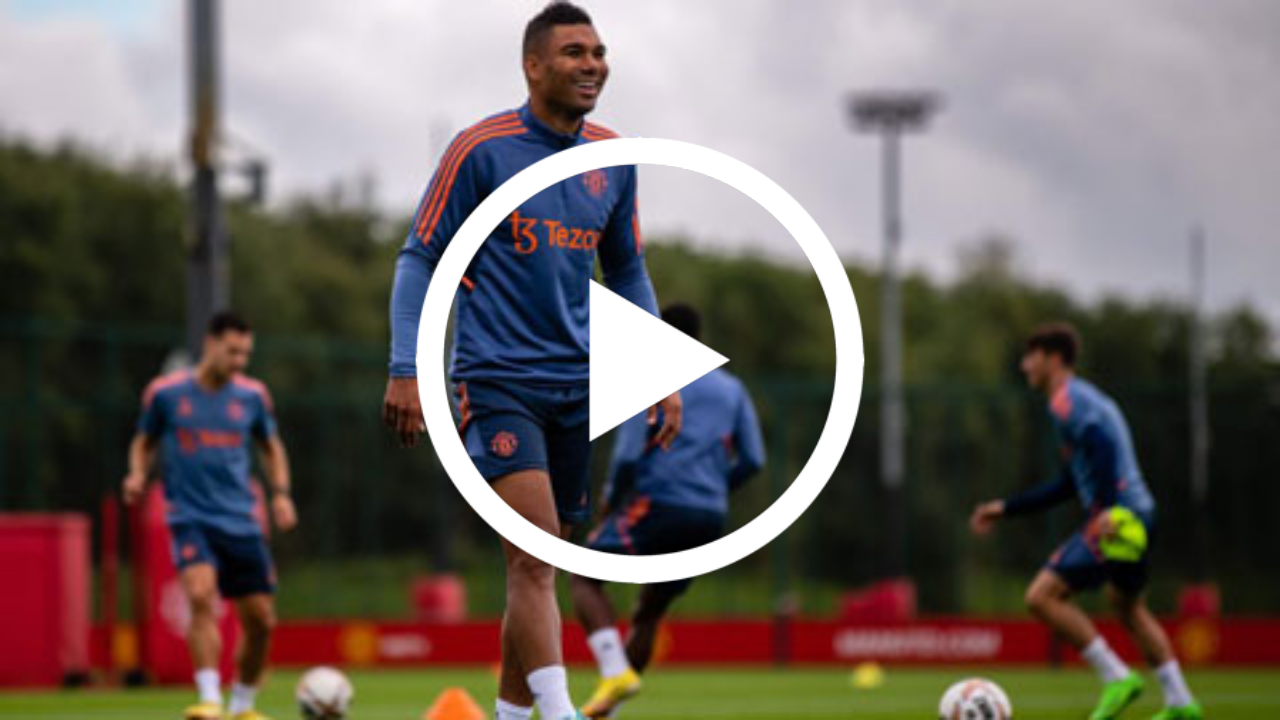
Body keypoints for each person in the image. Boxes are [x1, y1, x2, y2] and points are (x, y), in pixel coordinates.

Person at [381, 4, 680, 719]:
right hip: (495, 380)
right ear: (533, 65)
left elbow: (627, 271)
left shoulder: (613, 159)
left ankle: (513, 714)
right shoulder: (480, 150)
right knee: (534, 555)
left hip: (578, 387)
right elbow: (421, 257)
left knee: (538, 565)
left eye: (599, 52)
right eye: (575, 51)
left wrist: (659, 371)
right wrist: (406, 367)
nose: (593, 64)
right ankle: (561, 712)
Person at [970, 323, 1201, 720]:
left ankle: (1117, 677)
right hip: (1141, 515)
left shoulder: (1067, 400)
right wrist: (1007, 508)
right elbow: (1068, 483)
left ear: (1053, 359)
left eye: (1031, 357)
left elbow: (1103, 444)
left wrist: (1108, 509)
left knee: (1041, 596)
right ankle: (1181, 702)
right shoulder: (1083, 400)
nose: (1025, 366)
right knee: (1127, 606)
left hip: (1119, 517)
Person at [570, 303, 765, 718]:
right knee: (650, 611)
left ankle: (613, 670)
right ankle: (608, 711)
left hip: (657, 503)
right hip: (708, 516)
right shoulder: (731, 389)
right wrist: (716, 488)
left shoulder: (651, 378)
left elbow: (627, 456)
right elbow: (753, 459)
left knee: (583, 576)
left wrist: (611, 499)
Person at [123, 311, 296, 720]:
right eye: (233, 352)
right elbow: (144, 441)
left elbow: (271, 447)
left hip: (241, 518)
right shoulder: (166, 394)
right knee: (200, 596)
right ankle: (209, 699)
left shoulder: (252, 396)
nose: (239, 361)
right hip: (190, 516)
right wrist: (137, 474)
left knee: (261, 622)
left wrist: (280, 494)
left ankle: (242, 705)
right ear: (210, 344)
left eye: (245, 354)